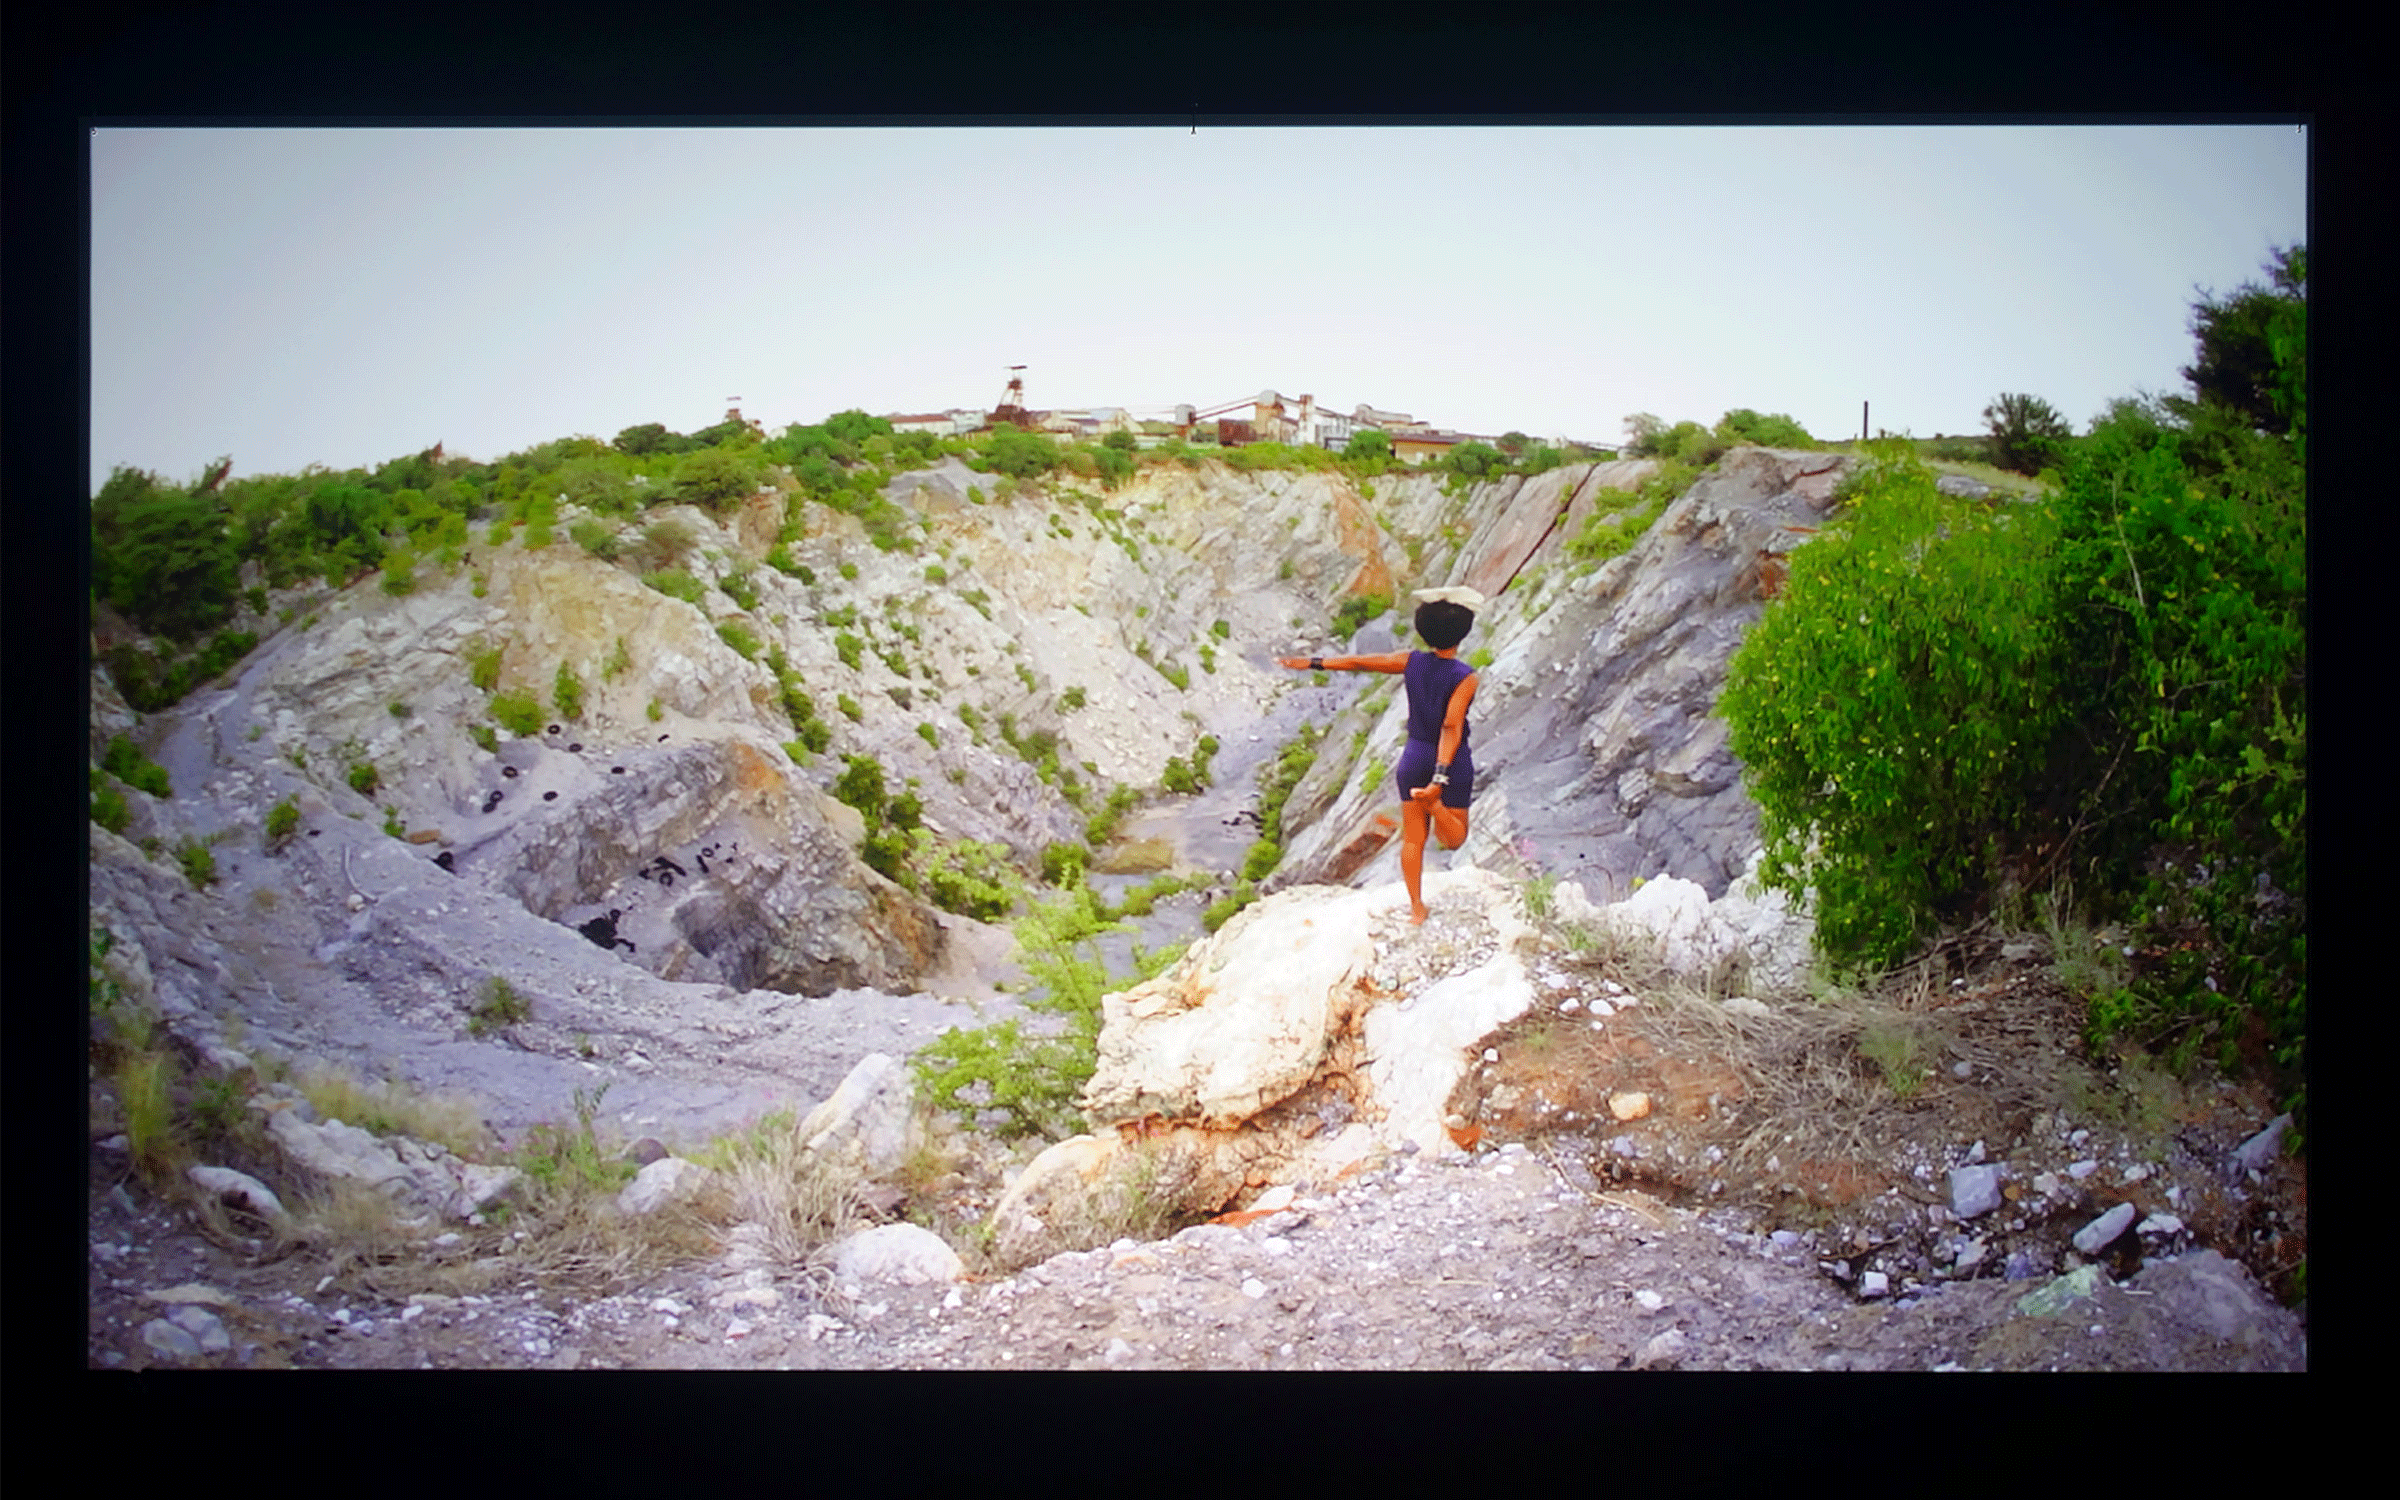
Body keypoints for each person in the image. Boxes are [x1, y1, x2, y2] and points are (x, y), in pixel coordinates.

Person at [1280, 585, 1483, 925]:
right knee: (1455, 837)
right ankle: (1435, 803)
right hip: (1450, 760)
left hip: (1414, 755)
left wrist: (1313, 662)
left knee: (1413, 838)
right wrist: (1441, 776)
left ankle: (1417, 908)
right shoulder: (1466, 677)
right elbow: (1451, 726)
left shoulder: (1411, 661)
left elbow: (1360, 661)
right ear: (1463, 633)